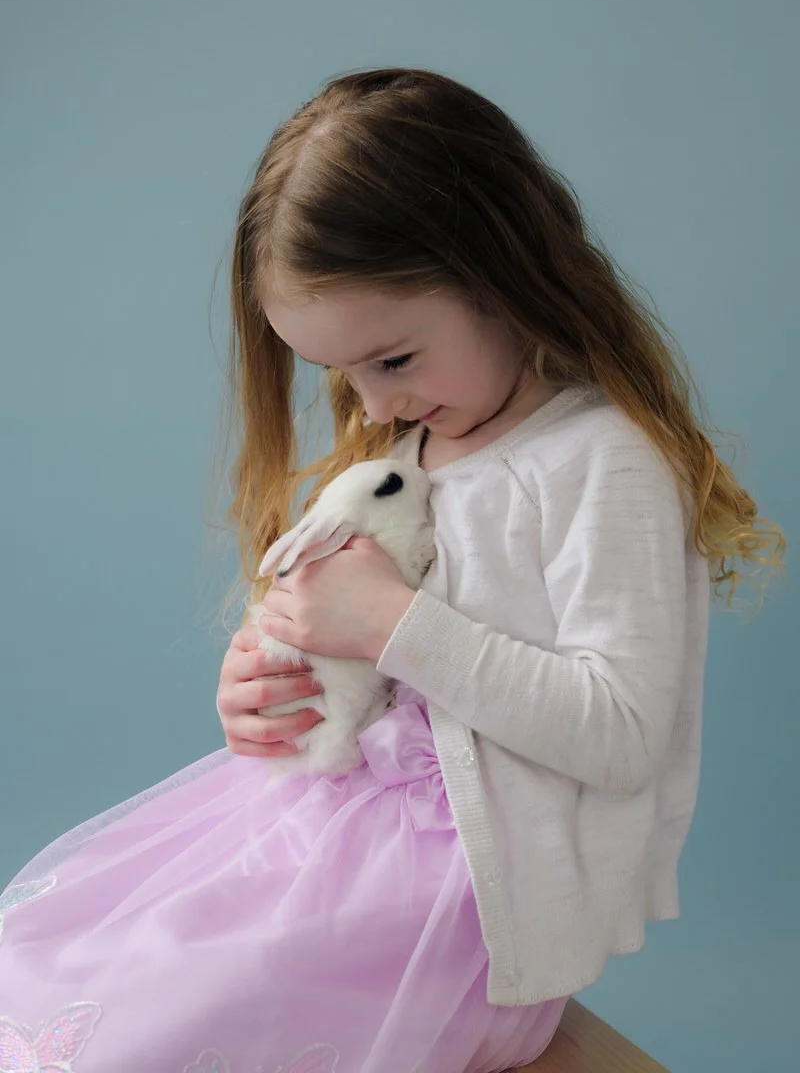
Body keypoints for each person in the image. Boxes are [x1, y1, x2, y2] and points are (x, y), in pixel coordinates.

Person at [0, 68, 783, 1073]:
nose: (372, 404)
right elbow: (353, 663)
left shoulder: (600, 463)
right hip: (330, 835)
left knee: (165, 1023)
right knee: (72, 956)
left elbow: (621, 734)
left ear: (500, 274)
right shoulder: (402, 452)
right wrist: (263, 686)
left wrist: (389, 622)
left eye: (393, 360)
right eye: (342, 374)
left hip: (457, 909)